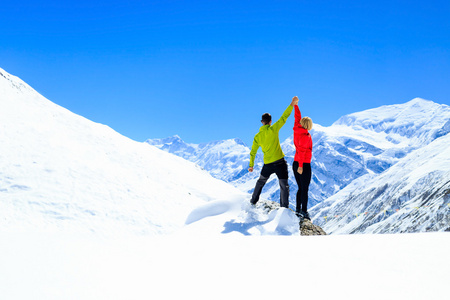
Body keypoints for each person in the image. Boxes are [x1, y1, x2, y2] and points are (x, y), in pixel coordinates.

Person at [248, 96, 299, 208]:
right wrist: (292, 104)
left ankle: (252, 202)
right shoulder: (273, 129)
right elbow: (283, 118)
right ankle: (284, 208)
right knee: (284, 185)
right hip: (280, 162)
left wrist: (251, 165)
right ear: (270, 122)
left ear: (262, 122)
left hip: (268, 164)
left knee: (261, 182)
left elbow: (253, 152)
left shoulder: (257, 136)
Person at [292, 96, 313, 220]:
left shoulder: (296, 128)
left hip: (296, 162)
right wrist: (301, 166)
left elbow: (297, 117)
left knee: (300, 188)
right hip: (303, 164)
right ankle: (303, 211)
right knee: (305, 189)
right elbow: (302, 150)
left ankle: (298, 209)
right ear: (308, 125)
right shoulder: (305, 135)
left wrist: (296, 105)